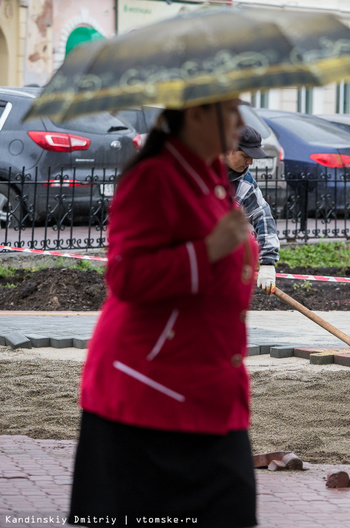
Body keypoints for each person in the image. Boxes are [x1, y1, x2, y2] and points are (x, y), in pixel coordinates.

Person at [68, 99, 258, 527]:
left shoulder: (210, 177)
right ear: (195, 115)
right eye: (229, 113)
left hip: (210, 386)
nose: (239, 125)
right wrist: (208, 251)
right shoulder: (154, 176)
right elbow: (126, 275)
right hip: (147, 394)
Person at [222, 125, 280, 294]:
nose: (250, 162)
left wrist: (268, 263)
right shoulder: (196, 173)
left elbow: (263, 216)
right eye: (246, 156)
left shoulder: (244, 183)